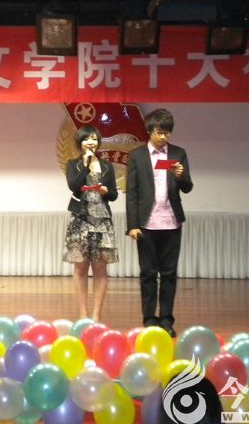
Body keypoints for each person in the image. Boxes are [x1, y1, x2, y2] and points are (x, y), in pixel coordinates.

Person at [126, 108, 193, 338]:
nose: (164, 137)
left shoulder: (178, 153)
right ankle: (149, 319)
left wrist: (180, 176)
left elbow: (187, 187)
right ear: (150, 130)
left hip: (171, 222)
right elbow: (132, 193)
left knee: (169, 273)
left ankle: (166, 319)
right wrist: (132, 225)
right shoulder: (137, 156)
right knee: (147, 273)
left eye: (167, 132)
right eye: (159, 132)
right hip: (146, 223)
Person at [63, 125, 118, 322]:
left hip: (102, 221)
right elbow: (74, 186)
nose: (91, 142)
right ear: (80, 143)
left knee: (100, 269)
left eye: (94, 139)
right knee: (80, 268)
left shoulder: (106, 166)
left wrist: (105, 191)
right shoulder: (73, 164)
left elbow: (114, 194)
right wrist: (86, 165)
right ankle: (83, 315)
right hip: (80, 220)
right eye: (87, 139)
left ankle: (96, 315)